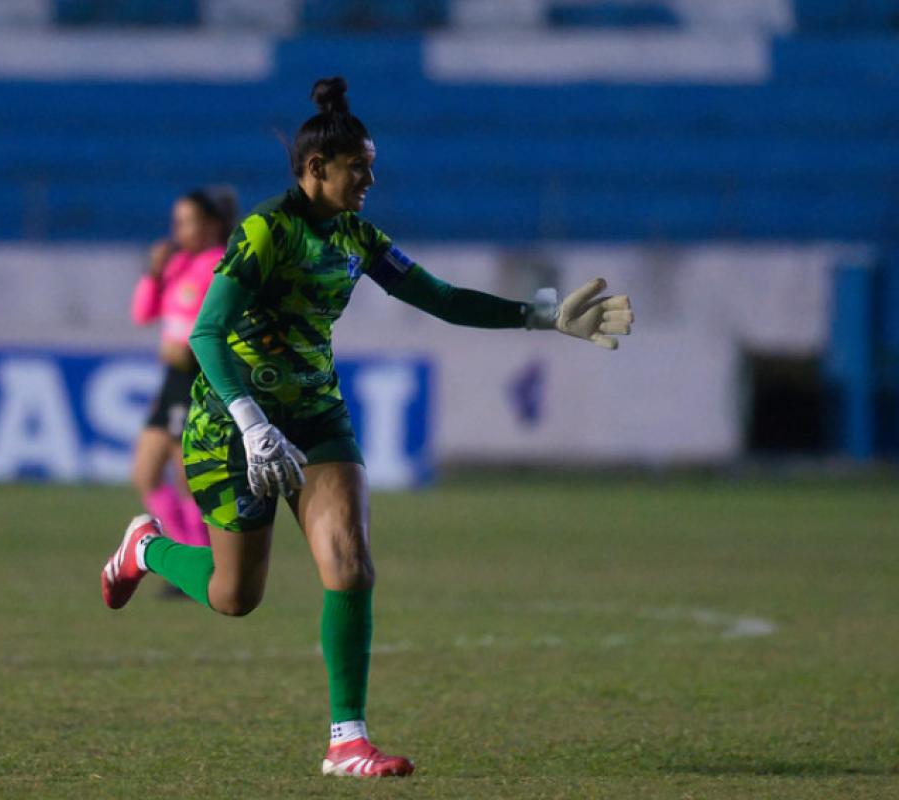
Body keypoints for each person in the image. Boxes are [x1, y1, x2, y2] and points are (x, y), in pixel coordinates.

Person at [103, 77, 634, 778]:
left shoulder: (357, 237)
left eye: (371, 167)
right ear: (316, 168)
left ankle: (346, 740)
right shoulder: (266, 231)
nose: (370, 180)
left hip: (317, 414)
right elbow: (206, 332)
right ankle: (146, 547)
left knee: (350, 564)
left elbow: (441, 298)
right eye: (359, 168)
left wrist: (538, 315)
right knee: (235, 597)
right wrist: (251, 422)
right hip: (232, 425)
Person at [128, 188, 237, 556]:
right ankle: (186, 554)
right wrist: (154, 273)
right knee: (145, 473)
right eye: (177, 222)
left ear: (211, 225)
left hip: (198, 378)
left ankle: (201, 559)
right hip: (173, 379)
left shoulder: (219, 265)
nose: (178, 231)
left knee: (188, 482)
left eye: (187, 222)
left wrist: (190, 350)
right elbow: (143, 314)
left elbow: (224, 325)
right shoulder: (177, 265)